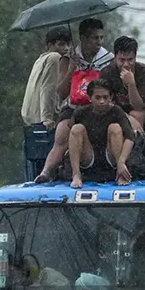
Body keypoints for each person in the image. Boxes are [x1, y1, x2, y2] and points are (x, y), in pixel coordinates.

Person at [34, 18, 114, 184]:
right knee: (62, 132)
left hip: (99, 107)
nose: (99, 42)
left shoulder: (107, 59)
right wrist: (72, 70)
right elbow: (61, 93)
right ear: (83, 38)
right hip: (74, 106)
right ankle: (47, 171)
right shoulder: (68, 59)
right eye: (94, 38)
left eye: (101, 38)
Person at [67, 79, 145, 188]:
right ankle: (76, 175)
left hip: (111, 155)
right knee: (77, 128)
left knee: (114, 128)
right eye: (98, 98)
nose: (102, 101)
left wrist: (121, 162)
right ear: (90, 98)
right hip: (89, 155)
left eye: (105, 97)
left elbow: (130, 138)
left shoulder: (116, 111)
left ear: (110, 98)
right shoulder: (81, 112)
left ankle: (120, 173)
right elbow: (71, 133)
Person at [99, 36, 145, 131]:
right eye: (122, 60)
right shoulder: (106, 73)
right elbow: (106, 103)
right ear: (115, 57)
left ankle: (137, 143)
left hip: (141, 109)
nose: (126, 65)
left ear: (135, 57)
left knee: (136, 115)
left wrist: (131, 84)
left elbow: (139, 106)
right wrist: (126, 116)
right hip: (115, 109)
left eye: (130, 59)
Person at [21, 27, 70, 130]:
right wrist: (46, 118)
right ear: (50, 45)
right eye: (61, 44)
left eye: (67, 44)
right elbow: (48, 87)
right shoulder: (54, 57)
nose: (66, 48)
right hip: (42, 120)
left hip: (30, 117)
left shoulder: (40, 59)